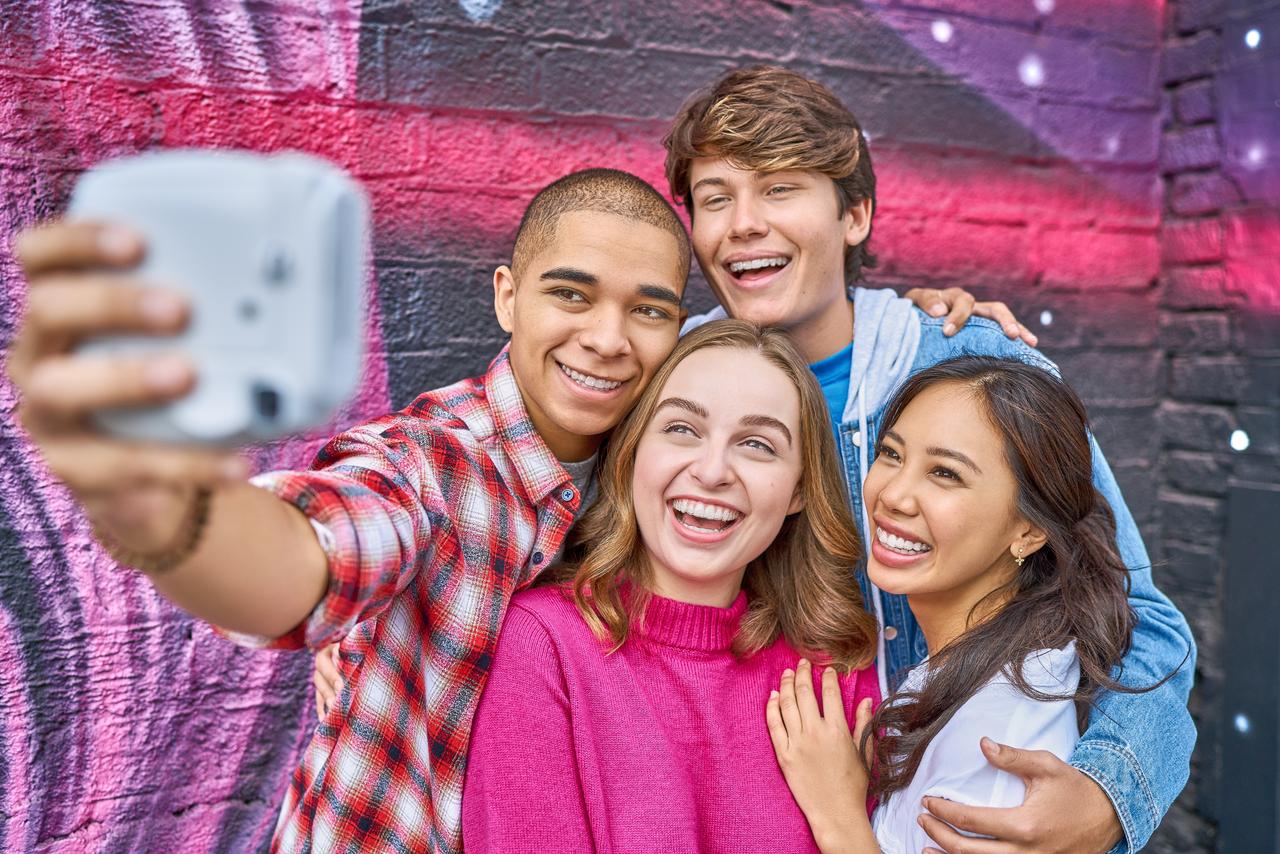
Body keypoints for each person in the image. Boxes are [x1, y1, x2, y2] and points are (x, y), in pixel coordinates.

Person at [7, 164, 994, 853]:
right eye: (572, 294)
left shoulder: (644, 477)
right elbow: (317, 549)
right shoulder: (442, 468)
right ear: (506, 296)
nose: (607, 338)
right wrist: (169, 514)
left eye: (648, 309)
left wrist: (914, 322)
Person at [666, 65, 1195, 853]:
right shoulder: (670, 383)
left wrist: (1107, 794)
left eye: (780, 188)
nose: (742, 222)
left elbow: (1140, 620)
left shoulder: (968, 358)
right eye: (715, 198)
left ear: (855, 217)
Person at [462, 320, 880, 852]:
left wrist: (841, 819)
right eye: (682, 429)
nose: (711, 471)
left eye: (757, 444)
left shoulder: (831, 677)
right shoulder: (545, 643)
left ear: (799, 489)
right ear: (633, 451)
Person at [765, 356, 1169, 854]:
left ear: (1029, 530)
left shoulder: (996, 736)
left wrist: (837, 812)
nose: (893, 494)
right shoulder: (987, 671)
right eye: (890, 455)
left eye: (945, 474)